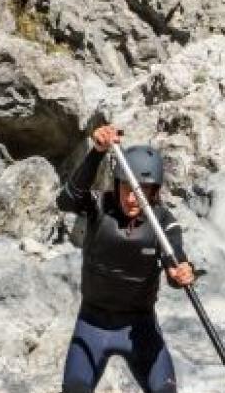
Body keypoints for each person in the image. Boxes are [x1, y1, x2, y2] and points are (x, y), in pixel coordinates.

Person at [56, 124, 195, 393]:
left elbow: (175, 259)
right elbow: (66, 201)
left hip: (139, 327)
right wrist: (97, 152)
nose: (133, 198)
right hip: (92, 323)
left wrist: (183, 272)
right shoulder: (99, 205)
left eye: (144, 190)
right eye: (128, 188)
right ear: (117, 183)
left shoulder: (163, 221)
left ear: (154, 191)